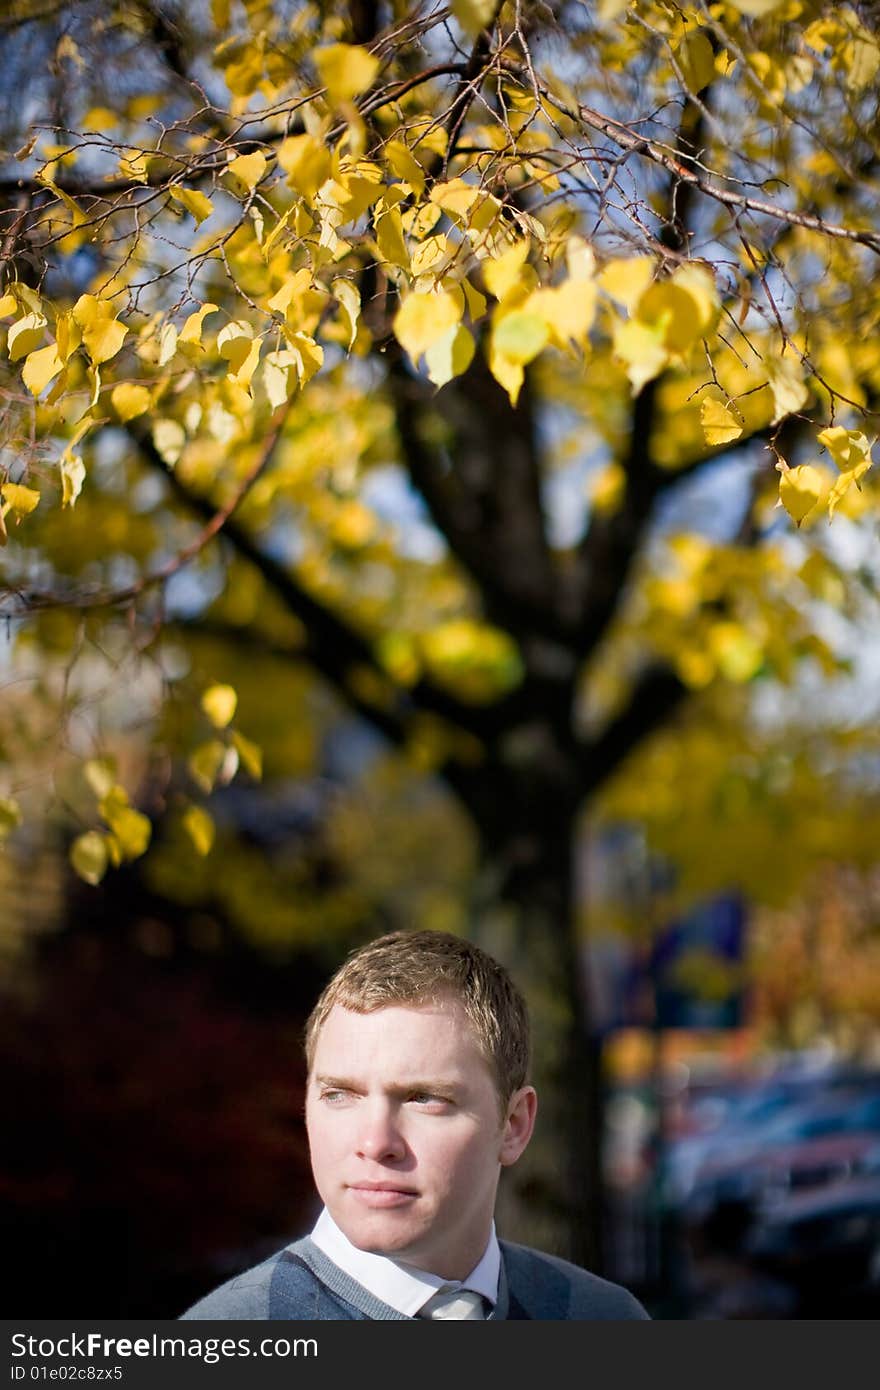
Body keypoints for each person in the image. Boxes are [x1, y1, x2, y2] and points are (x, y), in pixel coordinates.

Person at [180, 929, 649, 1320]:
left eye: (424, 1098)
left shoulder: (604, 1317)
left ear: (514, 1124)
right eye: (339, 1095)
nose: (375, 1142)